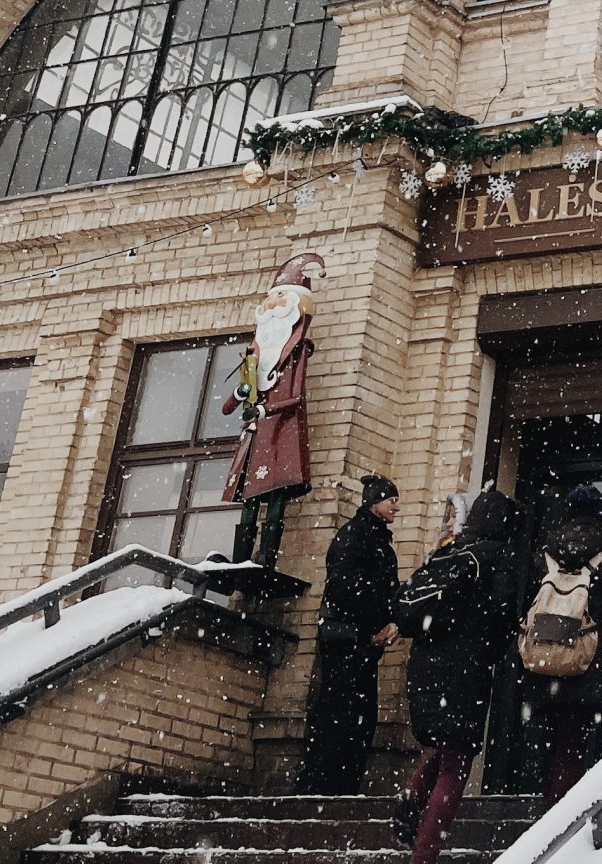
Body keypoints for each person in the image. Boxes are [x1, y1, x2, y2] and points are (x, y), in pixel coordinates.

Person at [392, 487, 521, 864]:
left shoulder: (448, 552)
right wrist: (492, 653)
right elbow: (502, 618)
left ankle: (413, 794)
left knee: (450, 748)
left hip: (426, 666)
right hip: (464, 671)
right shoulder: (496, 558)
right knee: (457, 762)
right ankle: (424, 854)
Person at [519, 483, 602, 803]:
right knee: (576, 751)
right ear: (599, 517)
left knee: (544, 750)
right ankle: (560, 829)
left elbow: (522, 610)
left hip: (542, 667)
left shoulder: (542, 557)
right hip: (589, 671)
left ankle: (541, 813)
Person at [219, 251, 324, 566]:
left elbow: (295, 398)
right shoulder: (255, 354)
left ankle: (266, 557)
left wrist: (265, 411)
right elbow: (228, 406)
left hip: (281, 432)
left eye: (281, 296)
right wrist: (241, 392)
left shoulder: (297, 352)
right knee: (250, 494)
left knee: (275, 490)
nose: (273, 304)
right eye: (272, 297)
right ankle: (241, 558)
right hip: (255, 433)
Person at [299, 473, 402, 794]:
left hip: (357, 644)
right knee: (341, 718)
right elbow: (348, 590)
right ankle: (323, 791)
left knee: (354, 719)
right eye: (392, 500)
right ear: (374, 502)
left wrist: (391, 623)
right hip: (347, 643)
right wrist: (371, 630)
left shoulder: (372, 537)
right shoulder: (356, 536)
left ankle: (336, 790)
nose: (397, 508)